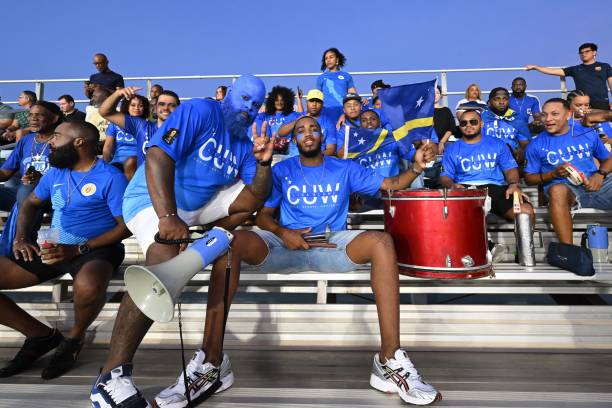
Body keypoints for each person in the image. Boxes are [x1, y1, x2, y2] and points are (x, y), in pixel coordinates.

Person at [183, 115, 441, 406]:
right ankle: (212, 361)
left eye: (314, 129)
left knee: (382, 242)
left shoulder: (344, 167)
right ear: (294, 140)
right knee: (231, 242)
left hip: (331, 243)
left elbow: (391, 183)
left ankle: (389, 359)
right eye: (301, 130)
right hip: (286, 244)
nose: (307, 133)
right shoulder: (282, 170)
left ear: (322, 136)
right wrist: (284, 232)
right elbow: (263, 217)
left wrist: (417, 167)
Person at [90, 75, 274, 408]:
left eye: (256, 104)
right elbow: (158, 156)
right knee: (162, 259)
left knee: (250, 197)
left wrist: (263, 163)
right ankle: (110, 377)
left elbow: (257, 196)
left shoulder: (245, 142)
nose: (249, 108)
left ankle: (208, 235)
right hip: (151, 199)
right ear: (229, 95)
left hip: (195, 210)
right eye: (245, 98)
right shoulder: (201, 111)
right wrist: (167, 216)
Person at [0, 121, 129, 379]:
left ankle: (73, 339)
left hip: (97, 247)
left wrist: (79, 248)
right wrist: (21, 238)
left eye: (57, 136)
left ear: (78, 142)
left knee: (88, 284)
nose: (50, 141)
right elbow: (30, 204)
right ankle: (40, 336)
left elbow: (125, 227)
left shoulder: (110, 176)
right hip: (55, 244)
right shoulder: (56, 172)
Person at [524, 98, 612, 244]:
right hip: (568, 193)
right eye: (544, 114)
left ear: (568, 114)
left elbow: (608, 159)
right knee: (557, 190)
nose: (548, 119)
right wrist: (553, 174)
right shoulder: (535, 144)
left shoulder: (585, 132)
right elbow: (528, 178)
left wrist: (600, 174)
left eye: (554, 114)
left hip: (596, 185)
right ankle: (568, 250)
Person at [440, 110, 534, 223]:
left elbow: (510, 169)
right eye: (463, 123)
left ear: (481, 124)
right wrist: (452, 185)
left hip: (495, 189)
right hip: (465, 190)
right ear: (460, 126)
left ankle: (528, 236)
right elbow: (445, 177)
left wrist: (513, 185)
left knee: (525, 211)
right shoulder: (451, 149)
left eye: (473, 122)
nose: (468, 125)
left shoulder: (498, 144)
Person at [0, 102, 62, 221]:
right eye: (31, 114)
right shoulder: (26, 140)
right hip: (24, 194)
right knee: (26, 189)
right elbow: (5, 173)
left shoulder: (63, 140)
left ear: (54, 118)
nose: (33, 118)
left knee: (27, 189)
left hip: (55, 193)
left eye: (39, 115)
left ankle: (23, 232)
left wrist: (42, 179)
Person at [100, 88, 180, 166]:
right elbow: (105, 112)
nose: (166, 108)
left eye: (172, 105)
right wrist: (118, 94)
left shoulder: (184, 129)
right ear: (155, 108)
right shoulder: (140, 126)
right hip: (137, 172)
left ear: (179, 109)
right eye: (161, 104)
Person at [526, 43, 612, 110]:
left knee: (604, 125)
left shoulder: (605, 66)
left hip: (601, 102)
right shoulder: (575, 69)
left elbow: (611, 84)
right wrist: (536, 67)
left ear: (594, 52)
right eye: (581, 53)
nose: (583, 54)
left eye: (587, 51)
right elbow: (555, 71)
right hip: (581, 104)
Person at [277, 89, 337, 156]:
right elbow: (280, 133)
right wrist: (298, 121)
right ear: (306, 102)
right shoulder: (295, 116)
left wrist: (314, 157)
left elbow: (331, 149)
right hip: (294, 158)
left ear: (322, 104)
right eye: (311, 101)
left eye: (318, 101)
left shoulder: (328, 122)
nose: (314, 104)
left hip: (317, 159)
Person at [103, 95, 150, 180]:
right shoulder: (115, 124)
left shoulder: (148, 126)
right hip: (118, 163)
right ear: (127, 107)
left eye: (140, 106)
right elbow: (108, 146)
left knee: (132, 161)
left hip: (139, 162)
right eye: (133, 105)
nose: (137, 108)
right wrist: (105, 166)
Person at [481, 87, 531, 163]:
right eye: (497, 99)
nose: (502, 102)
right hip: (486, 160)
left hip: (512, 160)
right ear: (490, 101)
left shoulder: (517, 118)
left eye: (505, 99)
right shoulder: (481, 118)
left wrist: (519, 156)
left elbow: (525, 146)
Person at [251, 86, 302, 155]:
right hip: (270, 154)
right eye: (277, 100)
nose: (279, 102)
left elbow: (302, 117)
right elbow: (252, 114)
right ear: (272, 101)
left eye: (282, 100)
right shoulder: (265, 116)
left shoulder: (292, 115)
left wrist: (299, 100)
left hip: (290, 154)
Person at [316, 47, 358, 121]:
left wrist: (360, 100)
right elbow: (318, 96)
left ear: (337, 60)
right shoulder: (321, 77)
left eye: (331, 57)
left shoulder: (346, 76)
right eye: (326, 58)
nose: (328, 60)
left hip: (343, 111)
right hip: (326, 111)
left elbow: (352, 93)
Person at [434, 85, 457, 154]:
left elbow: (451, 128)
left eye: (437, 93)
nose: (435, 95)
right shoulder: (425, 111)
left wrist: (442, 142)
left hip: (444, 142)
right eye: (433, 93)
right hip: (428, 143)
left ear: (440, 95)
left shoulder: (446, 110)